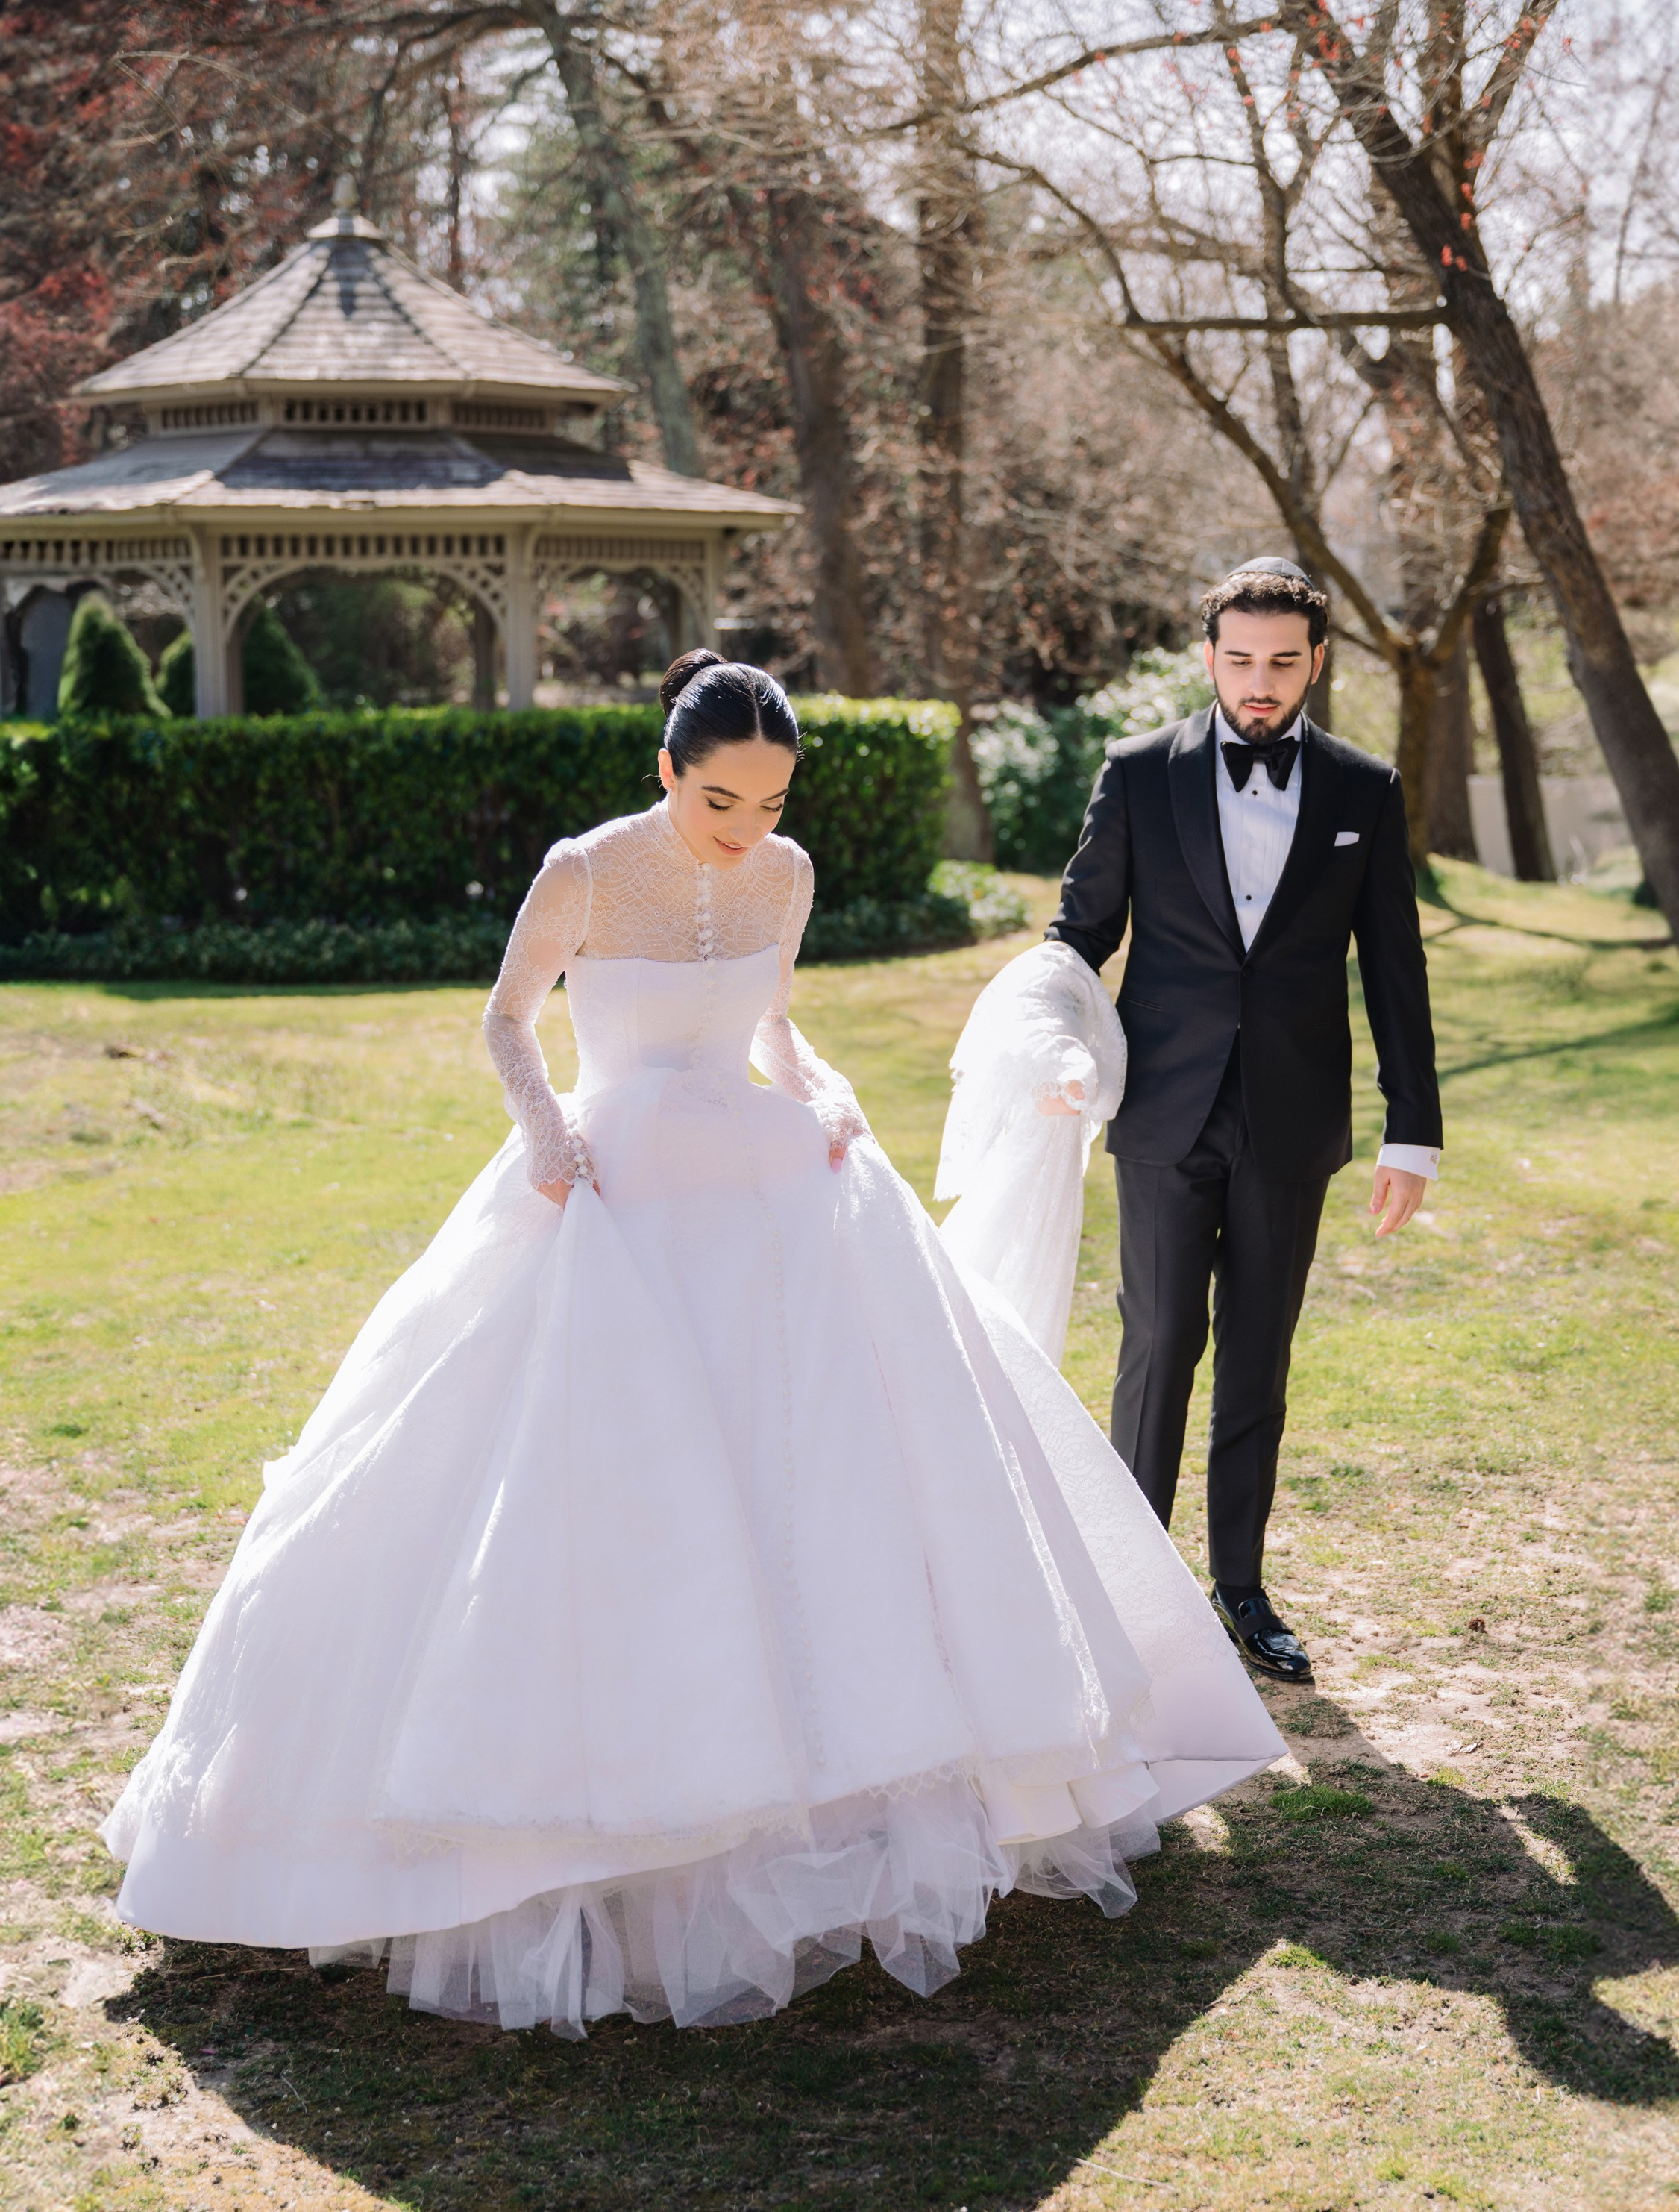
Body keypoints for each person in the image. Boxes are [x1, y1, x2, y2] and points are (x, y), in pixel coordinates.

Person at [103, 652, 1279, 2038]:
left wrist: (825, 1095)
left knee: (830, 1477)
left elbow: (772, 1022)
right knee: (589, 1484)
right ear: (666, 770)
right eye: (724, 798)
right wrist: (548, 1138)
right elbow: (506, 1019)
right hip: (612, 1188)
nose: (750, 828)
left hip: (769, 1187)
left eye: (774, 802)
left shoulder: (786, 876)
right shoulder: (586, 870)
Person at [1044, 561, 1443, 1685]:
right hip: (1165, 1111)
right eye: (1238, 660)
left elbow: (1397, 972)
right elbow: (1078, 935)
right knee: (1161, 1345)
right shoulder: (1136, 777)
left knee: (1257, 1359)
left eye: (1281, 662)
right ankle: (1130, 1588)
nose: (1258, 685)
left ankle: (1242, 1587)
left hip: (1294, 1119)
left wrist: (1412, 1129)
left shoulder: (1365, 790)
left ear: (1318, 660)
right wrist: (1052, 1041)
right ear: (1208, 655)